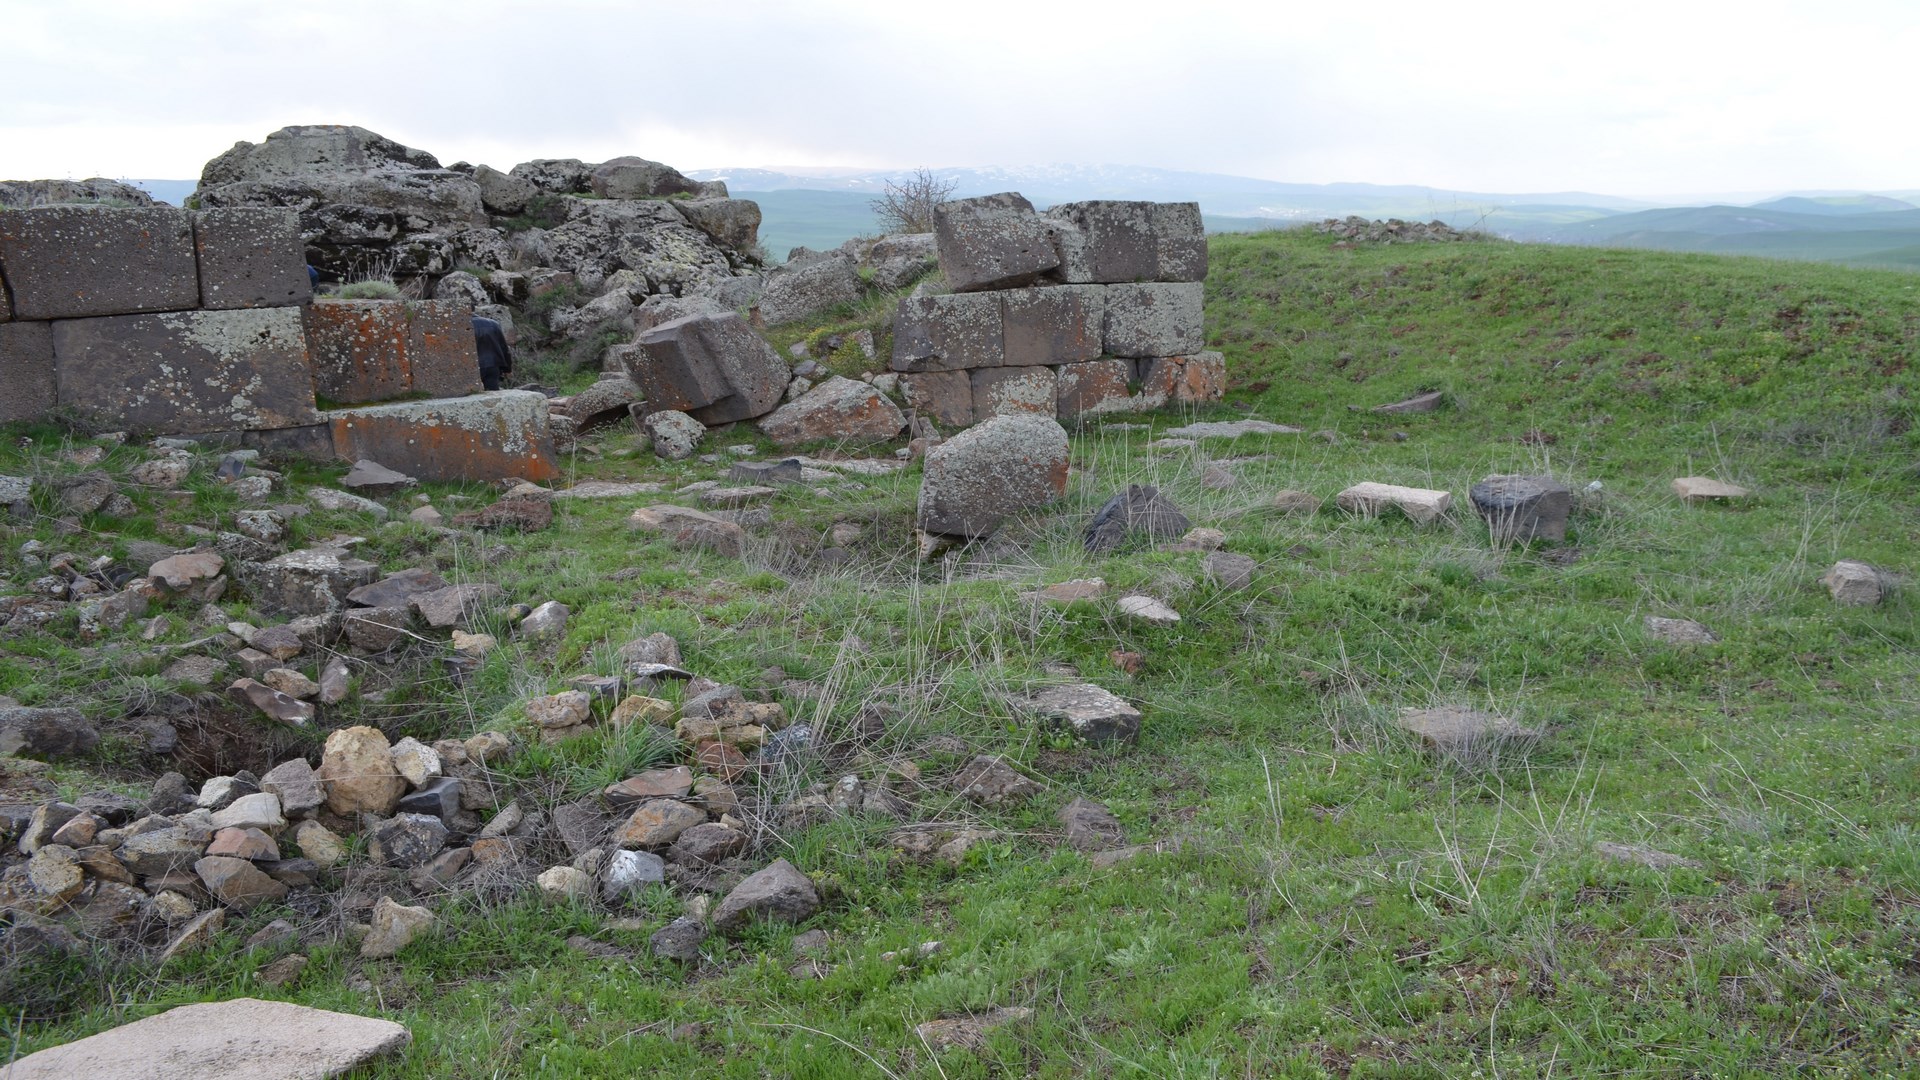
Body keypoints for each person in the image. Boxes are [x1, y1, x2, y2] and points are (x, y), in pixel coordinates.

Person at [472, 315, 513, 391]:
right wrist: (507, 369)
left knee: (472, 395)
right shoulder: (493, 324)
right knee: (493, 394)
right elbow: (504, 348)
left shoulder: (460, 326)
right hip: (493, 365)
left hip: (472, 367)